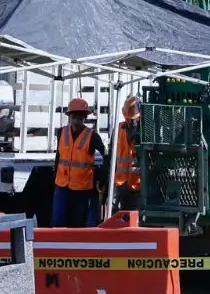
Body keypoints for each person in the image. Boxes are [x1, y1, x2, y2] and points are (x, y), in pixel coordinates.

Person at [52, 97, 107, 228]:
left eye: (80, 117)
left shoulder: (92, 136)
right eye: (74, 116)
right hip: (62, 185)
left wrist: (103, 178)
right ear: (70, 117)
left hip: (82, 188)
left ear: (85, 118)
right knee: (58, 221)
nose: (77, 120)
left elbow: (106, 156)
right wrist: (55, 176)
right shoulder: (62, 132)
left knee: (79, 223)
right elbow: (58, 156)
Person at [113, 94, 143, 212]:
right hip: (120, 183)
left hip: (137, 185)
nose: (131, 122)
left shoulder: (145, 131)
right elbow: (112, 157)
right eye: (128, 119)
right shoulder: (118, 130)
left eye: (133, 119)